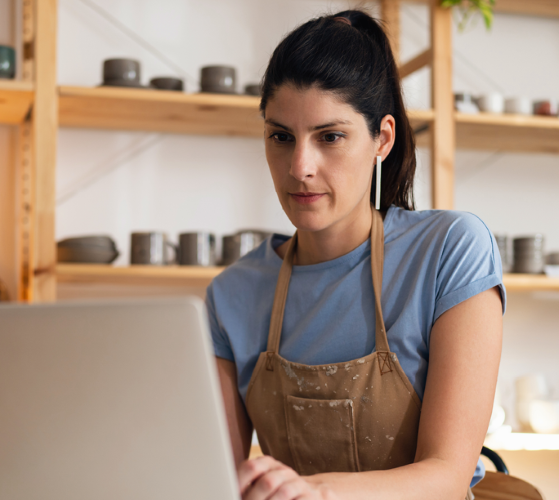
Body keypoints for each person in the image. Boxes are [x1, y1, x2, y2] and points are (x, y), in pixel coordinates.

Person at [206, 10, 505, 500]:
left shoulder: (450, 250)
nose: (300, 167)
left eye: (330, 137)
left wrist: (314, 492)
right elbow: (216, 481)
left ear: (381, 139)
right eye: (281, 137)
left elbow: (447, 475)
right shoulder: (232, 294)